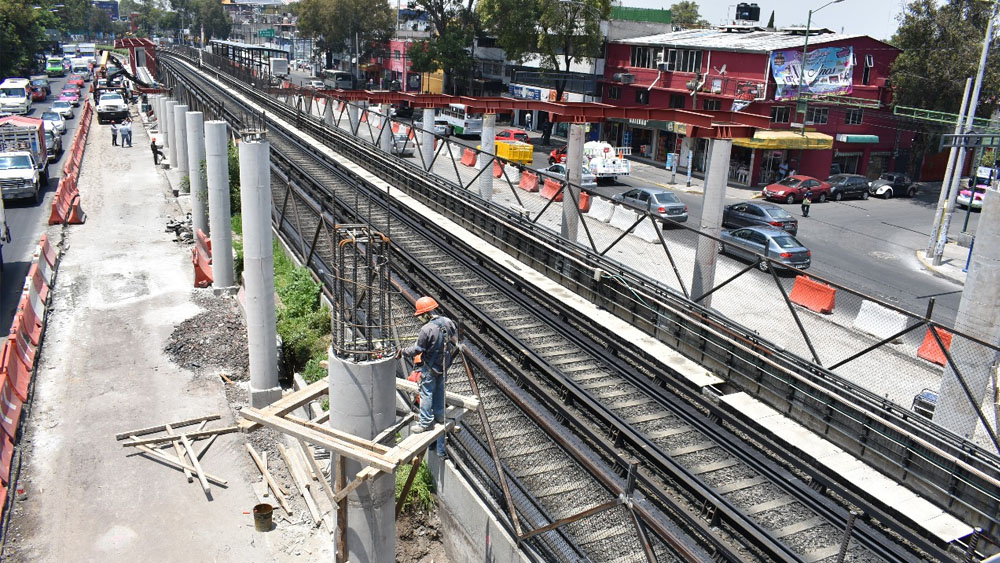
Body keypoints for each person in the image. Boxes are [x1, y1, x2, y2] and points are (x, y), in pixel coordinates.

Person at [402, 296, 458, 458]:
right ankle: (440, 416)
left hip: (430, 367)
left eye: (421, 315)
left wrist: (403, 351)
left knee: (426, 393)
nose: (420, 318)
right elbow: (454, 339)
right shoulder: (448, 321)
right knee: (440, 392)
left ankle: (426, 422)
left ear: (426, 314)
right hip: (443, 366)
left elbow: (418, 349)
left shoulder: (426, 329)